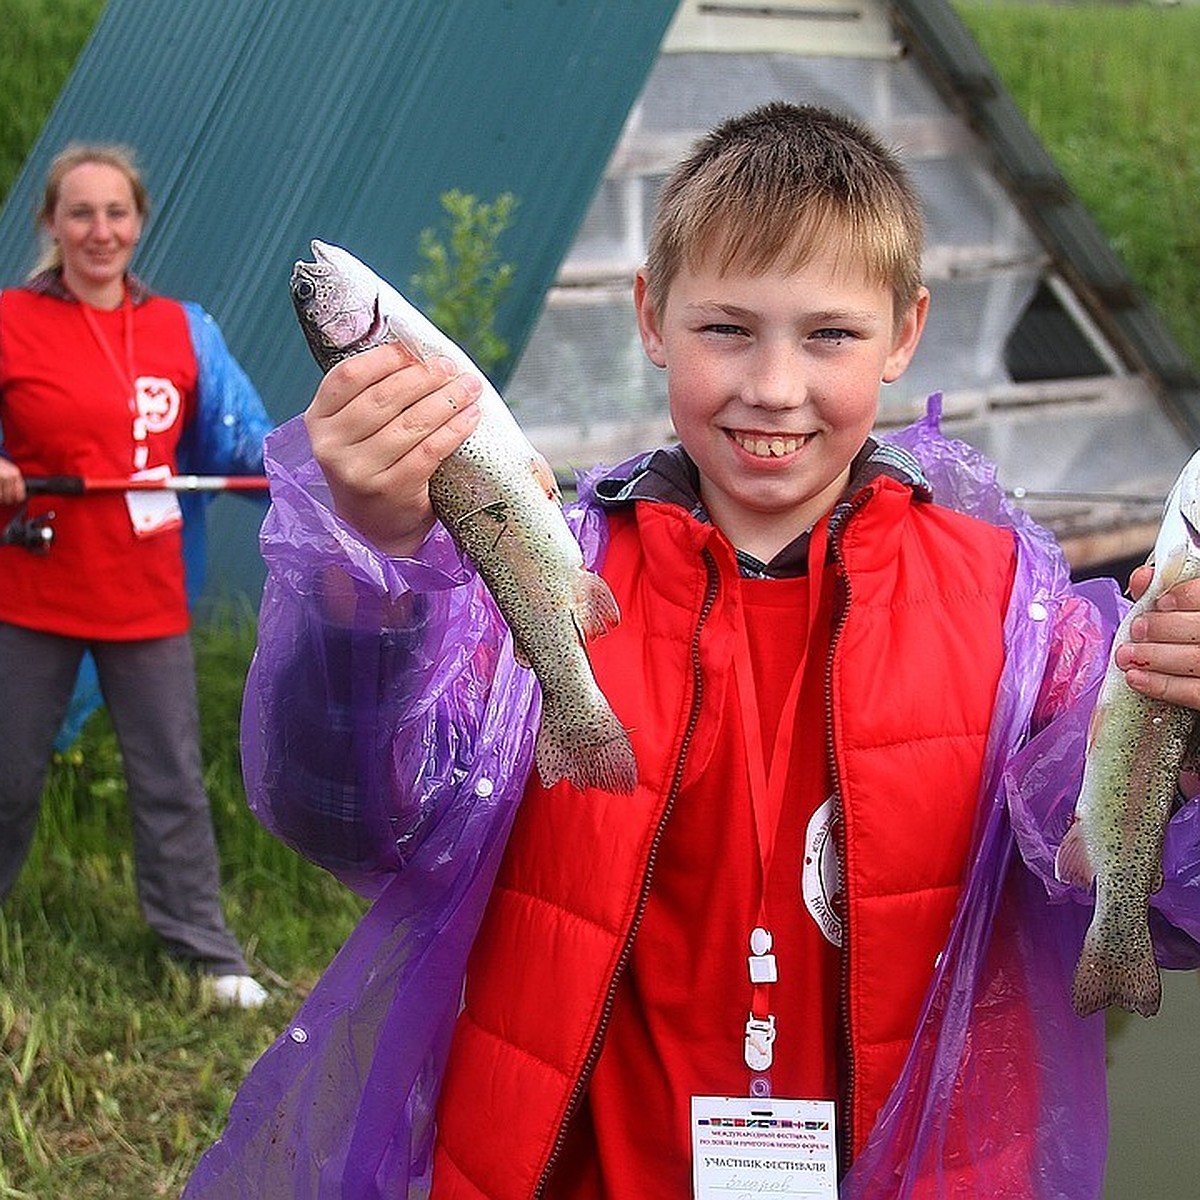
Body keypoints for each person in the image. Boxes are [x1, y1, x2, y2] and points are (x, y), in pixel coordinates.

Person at [186, 104, 1200, 1196]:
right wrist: (370, 574)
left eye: (830, 335)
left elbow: (1138, 889)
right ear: (651, 316)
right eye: (727, 328)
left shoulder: (1020, 613)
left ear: (907, 331)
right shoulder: (523, 587)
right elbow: (343, 814)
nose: (773, 387)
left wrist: (1189, 743)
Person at [0, 143, 272, 1009]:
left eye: (116, 213)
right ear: (51, 223)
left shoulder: (182, 328)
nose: (99, 231)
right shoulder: (8, 319)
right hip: (31, 593)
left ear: (139, 222)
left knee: (170, 782)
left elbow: (245, 443)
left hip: (146, 597)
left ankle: (203, 950)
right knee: (6, 775)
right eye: (80, 213)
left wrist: (327, 475)